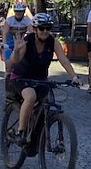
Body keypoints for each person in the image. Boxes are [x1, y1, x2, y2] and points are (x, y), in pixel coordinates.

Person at [5, 12, 80, 144]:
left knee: (47, 100)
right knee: (31, 96)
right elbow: (14, 60)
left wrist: (73, 76)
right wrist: (17, 50)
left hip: (41, 79)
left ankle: (36, 130)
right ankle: (20, 132)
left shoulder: (53, 42)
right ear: (35, 29)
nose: (45, 31)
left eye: (48, 28)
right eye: (41, 28)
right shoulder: (26, 41)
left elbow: (63, 59)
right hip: (22, 78)